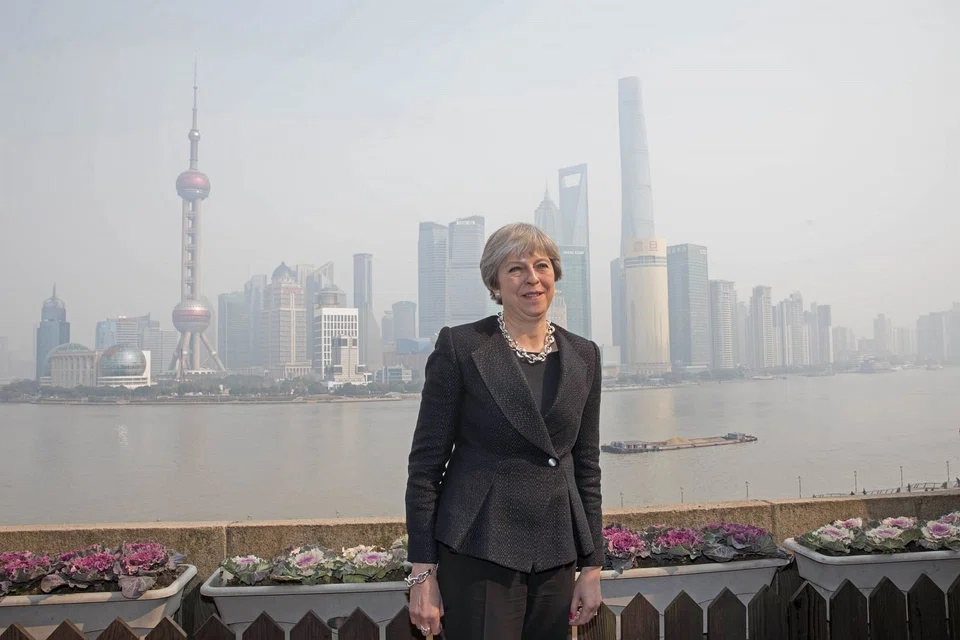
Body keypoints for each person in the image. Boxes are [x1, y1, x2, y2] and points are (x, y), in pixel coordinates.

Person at [405, 222, 604, 639]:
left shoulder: (584, 355)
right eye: (516, 269)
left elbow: (586, 466)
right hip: (480, 548)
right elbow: (425, 468)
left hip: (556, 551)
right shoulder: (463, 347)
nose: (532, 278)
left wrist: (592, 566)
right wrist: (422, 573)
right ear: (495, 282)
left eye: (541, 266)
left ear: (555, 275)